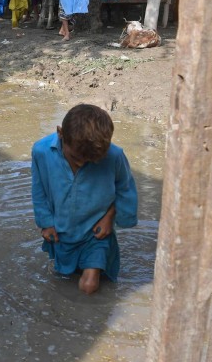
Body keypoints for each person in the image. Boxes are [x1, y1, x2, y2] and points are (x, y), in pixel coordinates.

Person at [30, 103, 138, 295]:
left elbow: (125, 188)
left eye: (88, 163)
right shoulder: (41, 152)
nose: (80, 163)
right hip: (61, 230)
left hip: (95, 231)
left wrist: (110, 217)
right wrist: (46, 223)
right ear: (60, 133)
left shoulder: (114, 156)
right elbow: (39, 190)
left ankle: (87, 316)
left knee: (89, 285)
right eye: (75, 157)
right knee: (63, 275)